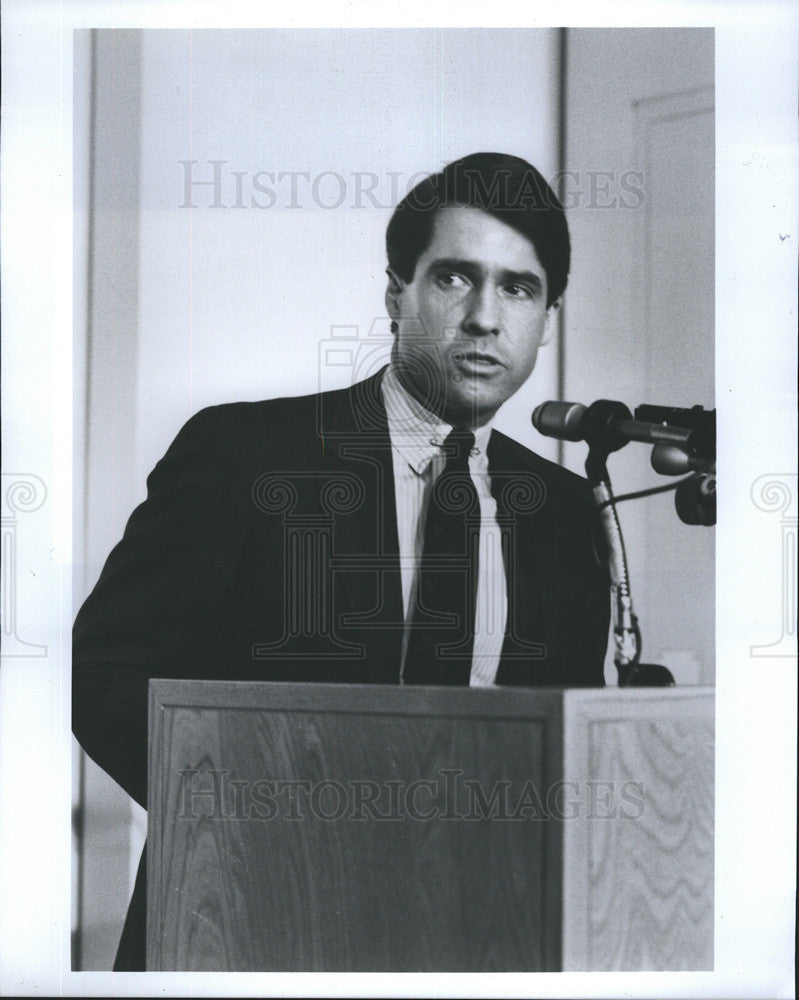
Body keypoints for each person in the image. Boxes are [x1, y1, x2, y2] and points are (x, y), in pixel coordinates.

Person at [72, 151, 610, 969]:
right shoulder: (244, 454)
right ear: (396, 294)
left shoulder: (566, 514)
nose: (484, 319)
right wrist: (264, 827)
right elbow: (103, 672)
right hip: (245, 920)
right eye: (454, 278)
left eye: (517, 288)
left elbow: (563, 743)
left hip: (474, 938)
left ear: (547, 316)